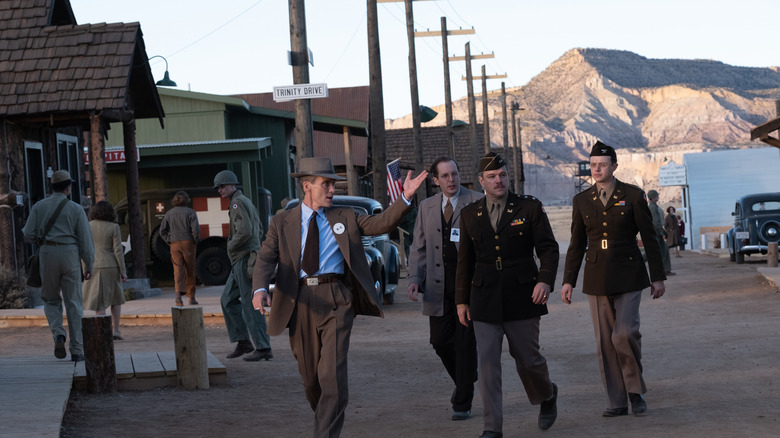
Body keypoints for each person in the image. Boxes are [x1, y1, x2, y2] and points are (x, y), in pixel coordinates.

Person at [251, 157, 427, 437]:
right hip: (298, 303)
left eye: (333, 184)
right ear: (307, 186)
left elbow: (381, 223)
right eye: (327, 184)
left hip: (336, 300)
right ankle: (326, 419)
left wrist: (405, 197)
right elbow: (265, 258)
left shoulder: (345, 216)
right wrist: (260, 289)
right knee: (312, 381)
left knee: (331, 377)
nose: (332, 189)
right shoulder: (281, 222)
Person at [455, 152, 560, 438]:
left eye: (502, 174)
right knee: (487, 365)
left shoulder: (529, 207)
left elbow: (548, 249)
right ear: (481, 181)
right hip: (484, 297)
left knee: (528, 358)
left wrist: (545, 281)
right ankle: (492, 428)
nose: (498, 180)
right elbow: (464, 261)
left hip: (523, 294)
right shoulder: (469, 214)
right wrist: (462, 301)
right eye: (491, 177)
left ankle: (547, 394)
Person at [560, 141, 666, 418]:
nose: (597, 169)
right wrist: (568, 280)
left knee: (624, 333)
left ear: (614, 166)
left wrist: (658, 277)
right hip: (596, 276)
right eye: (593, 164)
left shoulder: (633, 195)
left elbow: (650, 237)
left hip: (629, 272)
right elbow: (576, 243)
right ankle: (617, 400)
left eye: (603, 164)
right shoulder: (581, 200)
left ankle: (635, 391)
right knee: (605, 341)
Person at [407, 156, 483, 421]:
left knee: (464, 345)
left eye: (455, 174)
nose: (452, 180)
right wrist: (415, 278)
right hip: (437, 286)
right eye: (446, 176)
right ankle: (467, 376)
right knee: (439, 341)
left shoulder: (476, 201)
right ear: (436, 180)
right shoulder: (427, 207)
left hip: (468, 287)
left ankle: (462, 402)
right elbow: (418, 247)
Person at [22, 170, 94, 362]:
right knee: (74, 304)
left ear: (51, 187)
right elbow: (86, 241)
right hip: (70, 254)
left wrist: (42, 237)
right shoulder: (76, 209)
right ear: (68, 188)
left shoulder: (39, 206)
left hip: (47, 253)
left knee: (51, 299)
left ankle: (58, 335)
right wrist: (89, 264)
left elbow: (28, 234)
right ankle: (77, 350)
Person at [214, 170, 272, 362]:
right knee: (228, 300)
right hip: (244, 257)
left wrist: (230, 246)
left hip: (244, 258)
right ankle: (244, 342)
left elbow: (245, 231)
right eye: (219, 187)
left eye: (223, 186)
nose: (220, 190)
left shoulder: (238, 203)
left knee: (249, 303)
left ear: (233, 185)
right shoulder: (244, 201)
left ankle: (263, 347)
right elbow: (260, 228)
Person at [82, 200, 127, 340]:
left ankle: (101, 332)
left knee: (99, 301)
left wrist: (85, 268)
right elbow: (118, 251)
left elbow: (85, 249)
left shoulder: (87, 227)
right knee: (115, 299)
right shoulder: (114, 227)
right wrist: (123, 270)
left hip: (94, 265)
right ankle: (116, 330)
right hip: (111, 266)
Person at [159, 191, 200, 306]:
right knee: (190, 269)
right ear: (186, 200)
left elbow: (162, 231)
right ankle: (191, 297)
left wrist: (169, 240)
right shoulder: (191, 212)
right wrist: (195, 241)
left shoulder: (169, 214)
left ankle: (178, 296)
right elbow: (195, 230)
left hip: (174, 244)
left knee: (178, 270)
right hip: (189, 243)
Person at [647, 190, 674, 275]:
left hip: (657, 232)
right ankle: (665, 270)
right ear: (653, 197)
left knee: (660, 251)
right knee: (661, 251)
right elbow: (655, 222)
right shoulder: (652, 207)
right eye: (657, 196)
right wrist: (662, 232)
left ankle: (665, 270)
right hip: (657, 233)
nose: (658, 197)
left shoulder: (654, 206)